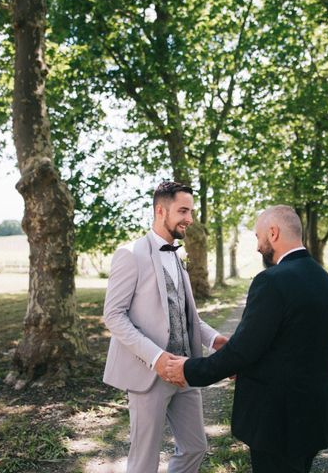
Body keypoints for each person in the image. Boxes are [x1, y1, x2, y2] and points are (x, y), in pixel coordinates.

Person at [165, 205, 328, 473]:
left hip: (279, 421)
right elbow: (289, 344)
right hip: (314, 414)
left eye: (258, 237)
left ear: (273, 232)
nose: (258, 247)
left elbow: (243, 350)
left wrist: (188, 369)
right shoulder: (322, 278)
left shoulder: (272, 281)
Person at [102, 181, 228, 473]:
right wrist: (156, 358)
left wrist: (214, 340)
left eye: (191, 211)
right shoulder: (130, 254)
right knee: (144, 461)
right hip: (148, 374)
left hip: (186, 369)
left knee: (196, 447)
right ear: (161, 210)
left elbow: (184, 314)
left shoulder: (177, 254)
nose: (190, 219)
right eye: (183, 211)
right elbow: (114, 315)